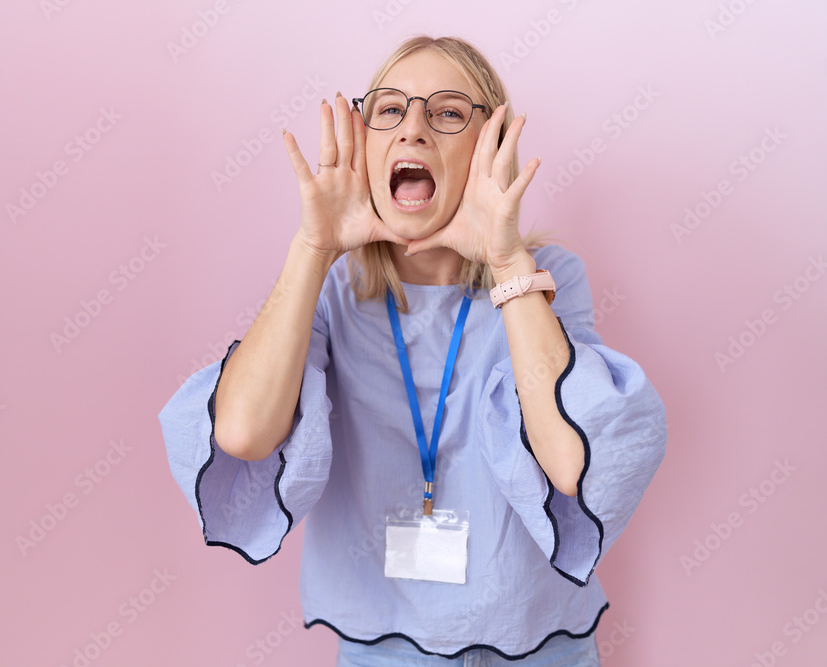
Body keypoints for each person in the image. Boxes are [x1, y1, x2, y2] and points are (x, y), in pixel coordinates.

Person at [158, 35, 666, 666]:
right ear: (366, 142)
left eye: (449, 112)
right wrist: (313, 250)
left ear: (489, 148)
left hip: (542, 645)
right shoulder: (334, 292)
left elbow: (574, 465)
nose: (414, 128)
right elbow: (241, 433)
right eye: (390, 110)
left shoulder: (547, 276)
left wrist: (507, 259)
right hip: (383, 649)